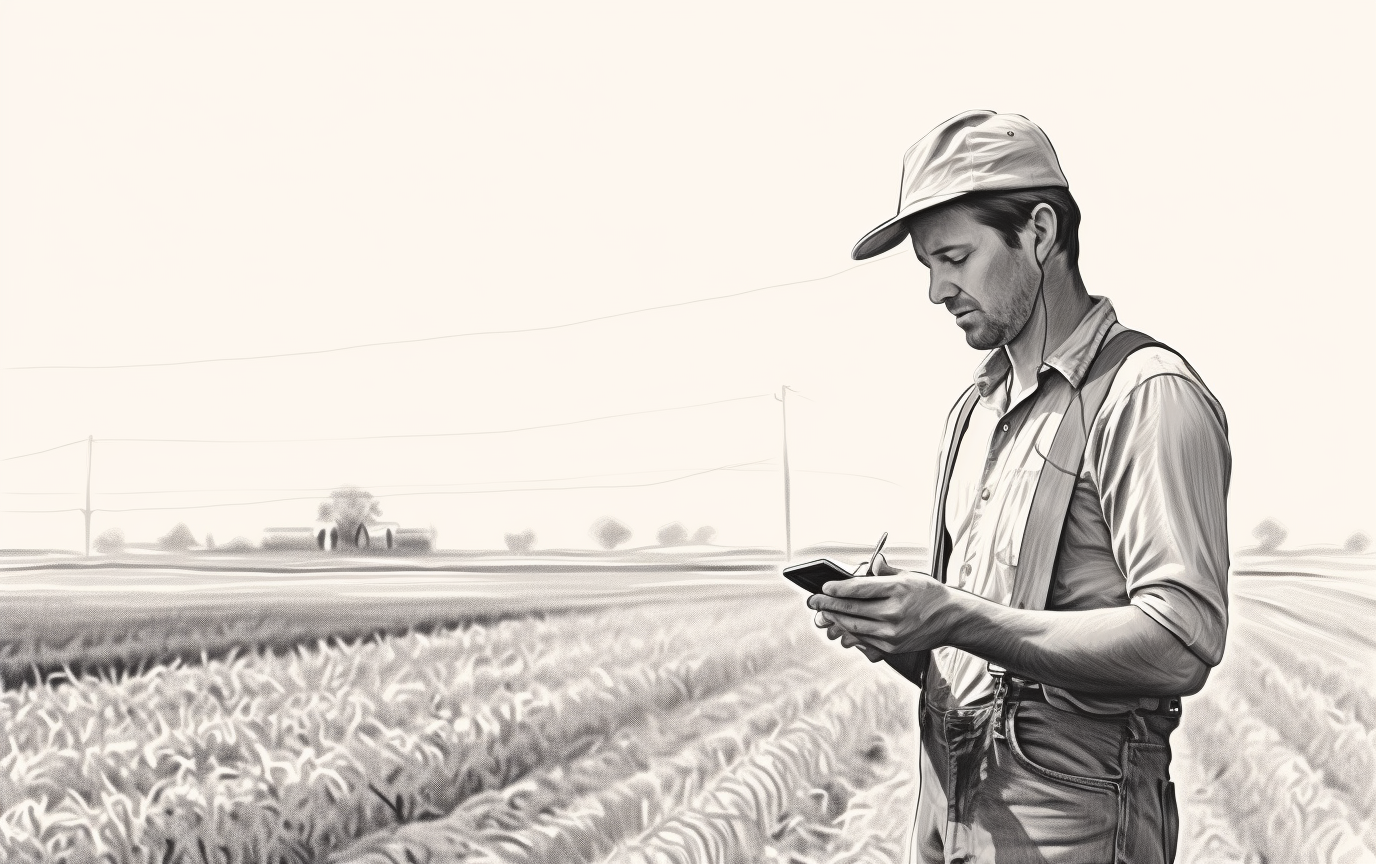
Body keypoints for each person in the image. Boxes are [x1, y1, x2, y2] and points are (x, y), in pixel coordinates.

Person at [807, 110, 1231, 863]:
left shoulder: (1147, 394)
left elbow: (1180, 644)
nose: (937, 290)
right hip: (947, 813)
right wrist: (903, 628)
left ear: (1039, 232)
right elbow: (984, 650)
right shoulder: (972, 412)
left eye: (956, 258)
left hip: (1077, 828)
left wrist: (954, 616)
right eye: (929, 266)